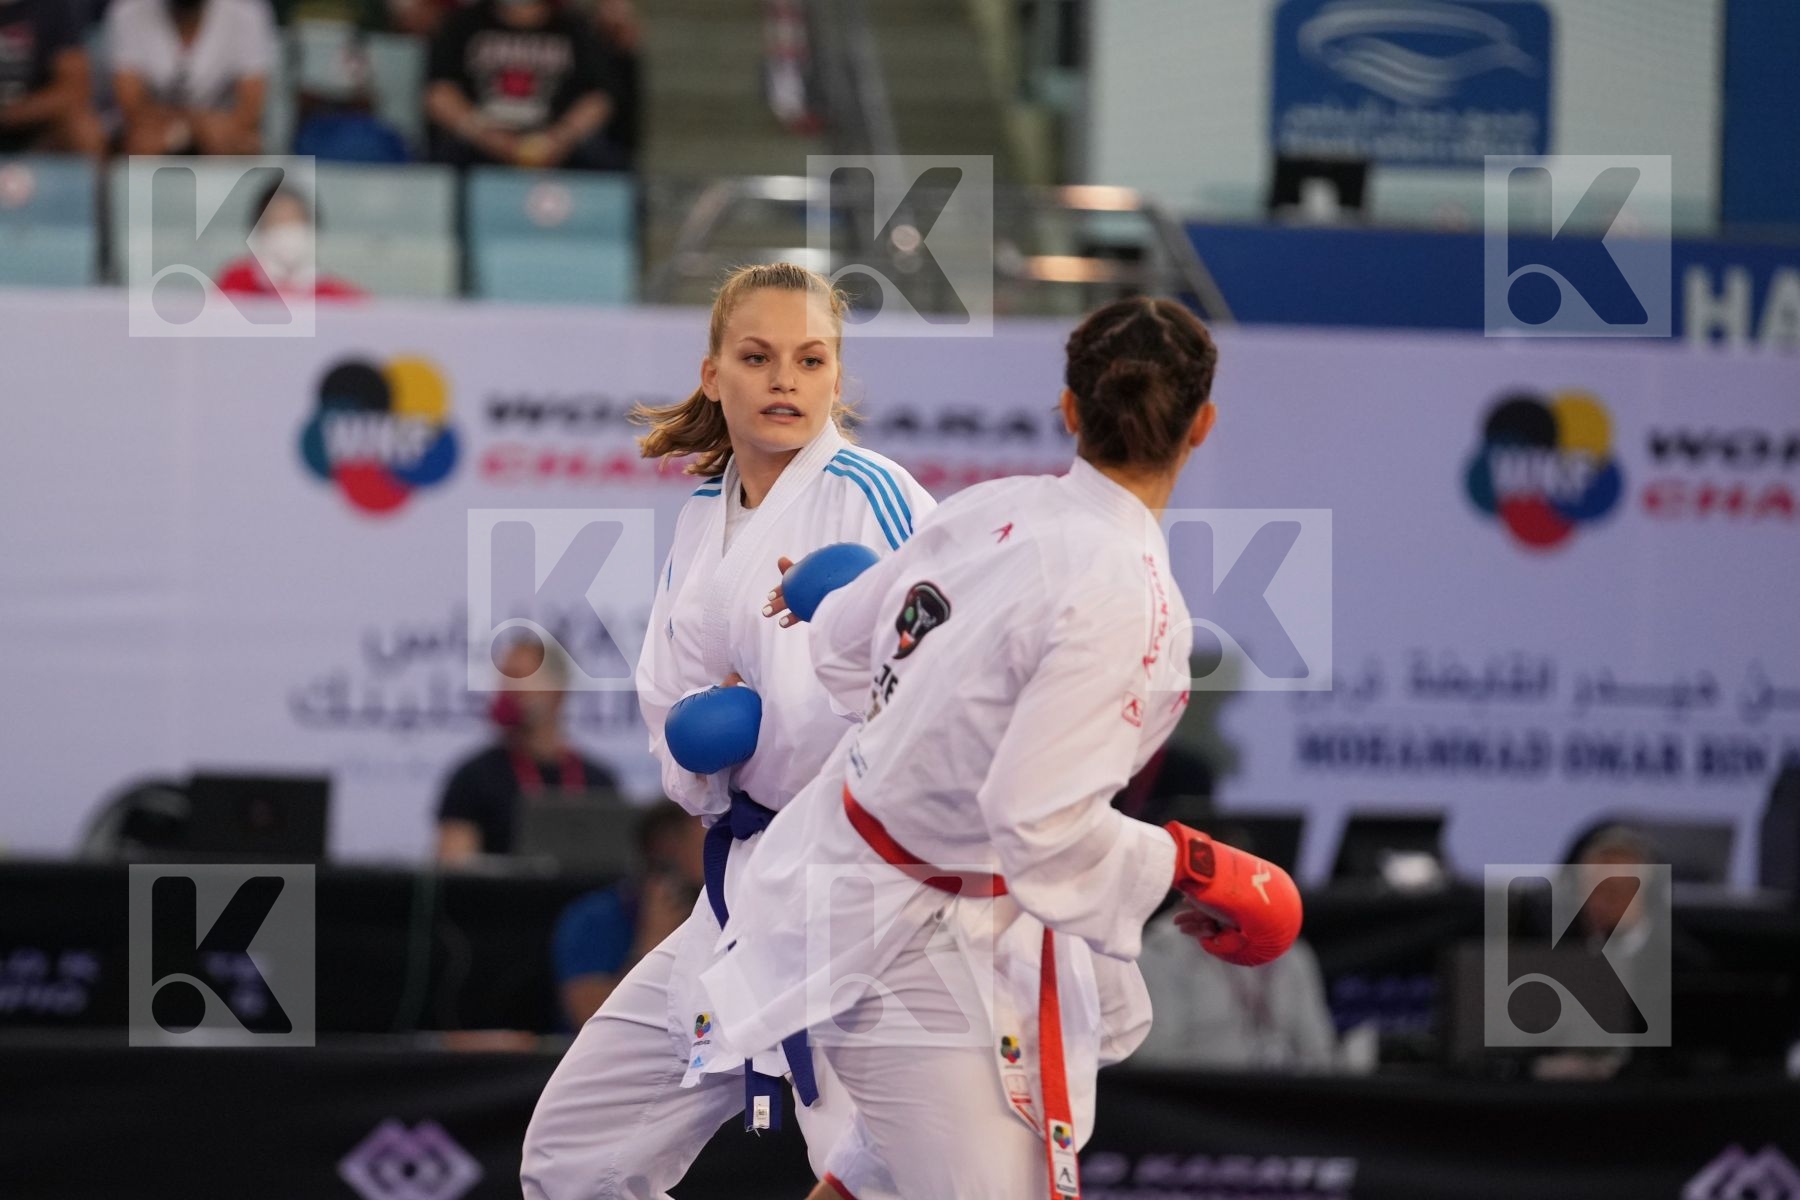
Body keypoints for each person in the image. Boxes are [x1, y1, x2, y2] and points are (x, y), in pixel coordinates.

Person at [699, 297, 1305, 1198]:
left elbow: (841, 650)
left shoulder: (987, 512)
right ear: (1202, 427)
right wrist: (1193, 865)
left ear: (1069, 409)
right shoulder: (1134, 599)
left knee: (871, 1179)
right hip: (914, 932)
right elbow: (1041, 824)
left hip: (861, 876)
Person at [521, 263, 936, 1200]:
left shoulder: (875, 494)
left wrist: (836, 653)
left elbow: (953, 677)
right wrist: (709, 745)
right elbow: (669, 697)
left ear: (835, 378)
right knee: (573, 1158)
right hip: (742, 884)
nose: (784, 380)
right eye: (758, 357)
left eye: (809, 359)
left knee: (871, 1177)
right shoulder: (705, 513)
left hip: (857, 892)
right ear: (715, 375)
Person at [437, 637, 618, 863]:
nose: (507, 689)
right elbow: (453, 870)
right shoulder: (472, 779)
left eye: (518, 676)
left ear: (557, 691)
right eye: (504, 678)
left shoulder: (599, 783)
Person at [552, 801, 705, 1030]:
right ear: (666, 844)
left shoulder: (726, 916)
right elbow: (592, 1018)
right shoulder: (593, 920)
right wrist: (652, 946)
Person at [424, 0, 625, 171]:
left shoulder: (574, 27)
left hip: (558, 142)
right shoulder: (464, 23)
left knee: (609, 164)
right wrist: (488, 137)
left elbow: (599, 97)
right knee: (438, 165)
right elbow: (438, 93)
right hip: (479, 141)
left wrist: (561, 138)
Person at [1133, 915, 1336, 1071]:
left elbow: (1319, 1054)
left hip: (1284, 1104)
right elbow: (1154, 1061)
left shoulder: (1290, 952)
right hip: (1202, 1106)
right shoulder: (1162, 950)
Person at [107, 0, 276, 155]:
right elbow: (132, 106)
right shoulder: (128, 10)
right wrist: (186, 131)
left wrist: (192, 130)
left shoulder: (248, 11)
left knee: (244, 143)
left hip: (218, 132)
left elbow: (250, 110)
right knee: (140, 143)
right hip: (156, 132)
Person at [216, 183, 367, 301]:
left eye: (295, 222)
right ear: (258, 233)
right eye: (276, 223)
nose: (286, 233)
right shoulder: (236, 283)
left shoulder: (338, 296)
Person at [0, 0, 106, 156]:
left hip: (33, 123)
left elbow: (74, 89)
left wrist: (7, 116)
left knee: (84, 128)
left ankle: (97, 180)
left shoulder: (53, 6)